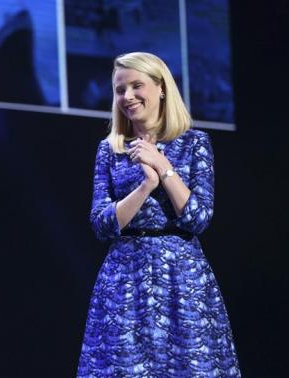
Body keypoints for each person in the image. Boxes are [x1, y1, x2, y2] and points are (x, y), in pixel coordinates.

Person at [77, 52, 240, 377]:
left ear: (161, 87)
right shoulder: (110, 149)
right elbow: (102, 224)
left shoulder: (194, 144)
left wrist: (163, 168)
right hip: (124, 276)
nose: (128, 96)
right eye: (120, 89)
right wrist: (145, 186)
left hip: (182, 276)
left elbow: (198, 219)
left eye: (137, 86)